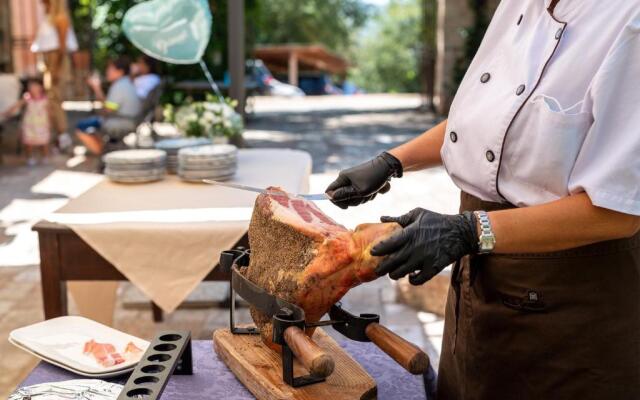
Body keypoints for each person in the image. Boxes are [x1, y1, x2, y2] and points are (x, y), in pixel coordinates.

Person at [325, 1, 640, 399]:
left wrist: (469, 230)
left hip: (571, 299)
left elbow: (614, 211)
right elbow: (488, 120)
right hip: (479, 279)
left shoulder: (629, 20)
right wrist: (393, 161)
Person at [31, 0, 78, 151]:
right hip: (48, 61)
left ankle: (63, 136)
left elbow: (62, 49)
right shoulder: (48, 16)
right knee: (50, 100)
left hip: (56, 61)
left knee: (55, 99)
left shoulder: (60, 17)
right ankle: (56, 135)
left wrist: (56, 70)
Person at [75, 56, 142, 155]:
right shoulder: (126, 83)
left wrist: (97, 88)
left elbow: (107, 110)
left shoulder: (119, 86)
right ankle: (103, 150)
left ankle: (102, 153)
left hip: (121, 122)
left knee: (80, 126)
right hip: (127, 120)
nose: (107, 72)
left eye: (110, 69)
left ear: (120, 71)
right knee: (92, 122)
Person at [2, 78, 51, 165]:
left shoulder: (45, 99)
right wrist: (6, 113)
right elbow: (16, 106)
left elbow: (49, 111)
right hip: (30, 124)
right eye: (30, 86)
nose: (32, 88)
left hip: (42, 124)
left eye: (35, 86)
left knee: (43, 142)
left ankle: (45, 156)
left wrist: (50, 122)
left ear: (41, 87)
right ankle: (30, 158)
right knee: (29, 142)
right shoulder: (27, 97)